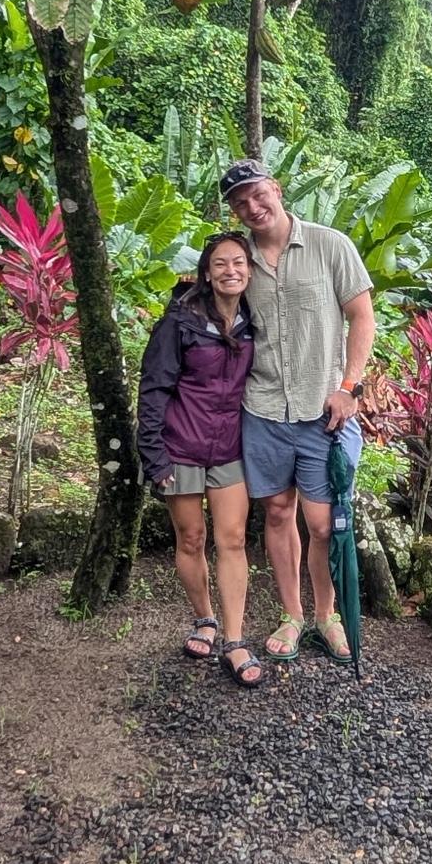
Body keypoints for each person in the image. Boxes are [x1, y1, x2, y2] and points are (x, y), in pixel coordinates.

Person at [219, 158, 375, 666]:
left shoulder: (331, 245)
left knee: (324, 523)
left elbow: (361, 317)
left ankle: (327, 614)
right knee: (279, 513)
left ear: (277, 189)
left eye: (258, 194)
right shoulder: (240, 261)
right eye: (240, 202)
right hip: (262, 409)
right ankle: (292, 614)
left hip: (321, 410)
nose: (252, 207)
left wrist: (350, 386)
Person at [137, 231, 263, 688]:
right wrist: (154, 455)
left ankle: (234, 640)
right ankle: (204, 619)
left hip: (229, 446)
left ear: (250, 270)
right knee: (191, 538)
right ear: (207, 274)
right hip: (180, 447)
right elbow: (153, 388)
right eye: (221, 264)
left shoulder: (254, 319)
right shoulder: (180, 321)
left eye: (239, 263)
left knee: (232, 539)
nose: (231, 271)